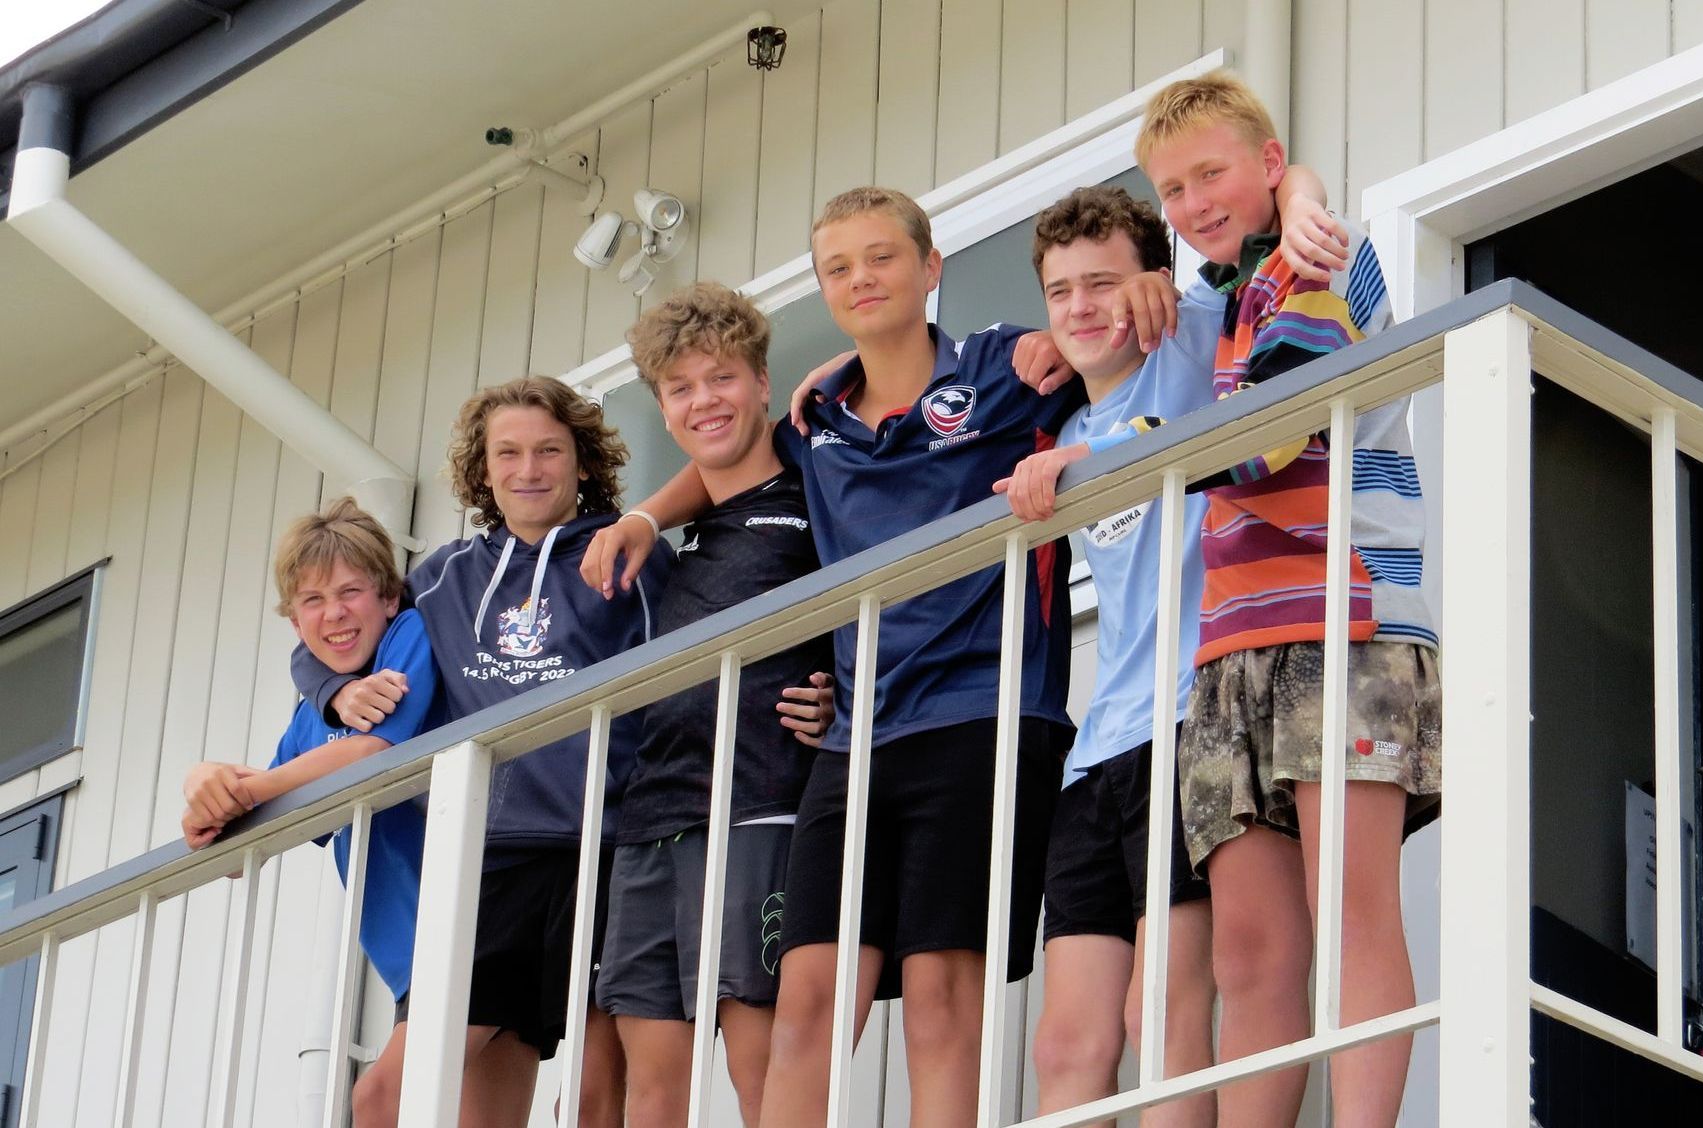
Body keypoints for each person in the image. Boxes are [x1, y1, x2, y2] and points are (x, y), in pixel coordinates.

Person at [581, 186, 1082, 1128]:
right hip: (854, 743)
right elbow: (729, 459)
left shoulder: (1010, 366)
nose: (862, 279)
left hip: (983, 713)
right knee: (807, 999)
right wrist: (648, 512)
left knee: (939, 998)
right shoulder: (818, 419)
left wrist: (1094, 320)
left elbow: (1119, 362)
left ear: (932, 269)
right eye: (837, 268)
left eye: (883, 257)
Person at [1116, 70, 1441, 1128]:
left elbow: (1271, 437)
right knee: (1254, 949)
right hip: (1234, 643)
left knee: (1351, 913)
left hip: (1340, 621)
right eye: (1170, 190)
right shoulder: (1227, 294)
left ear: (1264, 168)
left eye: (1210, 173)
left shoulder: (1314, 262)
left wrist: (1137, 458)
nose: (1190, 202)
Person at [292, 376, 676, 1127]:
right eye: (508, 453)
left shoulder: (631, 560)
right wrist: (325, 690)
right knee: (387, 1097)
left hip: (605, 854)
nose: (527, 469)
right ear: (483, 466)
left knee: (593, 1095)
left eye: (547, 451)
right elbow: (342, 628)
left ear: (580, 460)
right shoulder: (440, 579)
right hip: (482, 867)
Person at [987, 186, 1224, 1126]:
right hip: (1100, 752)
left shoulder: (1190, 348)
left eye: (1103, 284)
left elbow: (1262, 223)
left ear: (1153, 284)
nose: (1081, 308)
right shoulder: (1066, 428)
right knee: (1067, 1041)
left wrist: (1180, 288)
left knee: (1163, 1008)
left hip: (1191, 720)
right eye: (1060, 292)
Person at [596, 282, 834, 1128]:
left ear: (764, 383)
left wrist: (840, 693)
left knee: (761, 1065)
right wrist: (644, 518)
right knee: (652, 1081)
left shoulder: (817, 486)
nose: (705, 402)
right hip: (651, 817)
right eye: (681, 388)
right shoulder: (677, 538)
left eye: (722, 378)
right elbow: (706, 476)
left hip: (759, 803)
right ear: (661, 407)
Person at [183, 496, 439, 1128]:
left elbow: (373, 749)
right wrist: (206, 790)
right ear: (295, 623)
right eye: (313, 601)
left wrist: (249, 786)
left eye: (351, 591)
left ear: (387, 598)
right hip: (410, 957)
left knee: (376, 1101)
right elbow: (244, 852)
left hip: (470, 918)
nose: (335, 614)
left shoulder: (407, 639)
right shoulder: (306, 722)